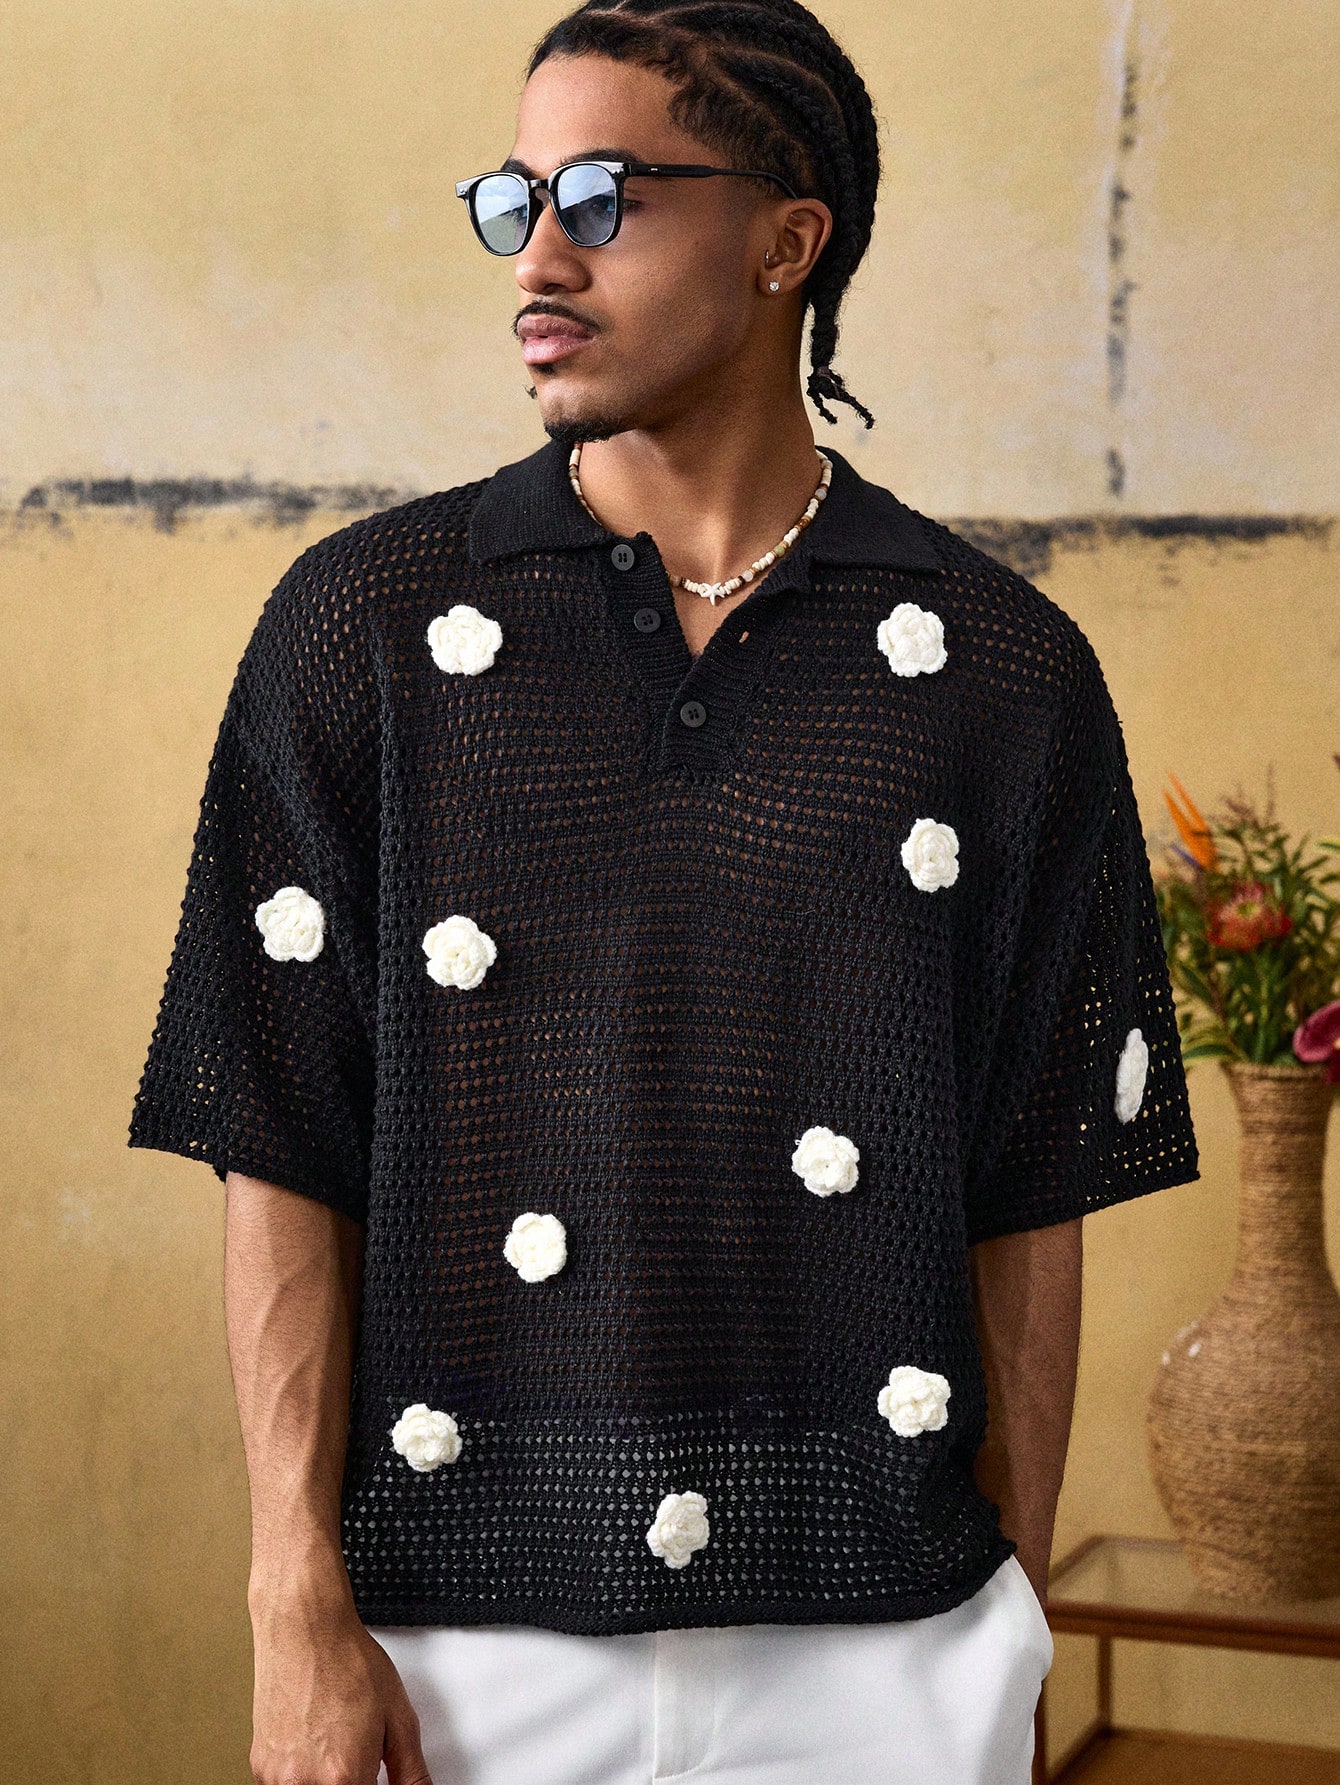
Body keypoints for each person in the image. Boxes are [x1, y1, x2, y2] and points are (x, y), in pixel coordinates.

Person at [127, 2, 1201, 1781]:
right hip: (459, 1636)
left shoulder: (1002, 672)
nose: (538, 258)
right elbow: (283, 1138)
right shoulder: (363, 630)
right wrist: (292, 1599)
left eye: (604, 197)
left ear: (788, 242)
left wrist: (1002, 1613)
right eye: (516, 198)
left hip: (891, 1643)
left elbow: (1031, 1175)